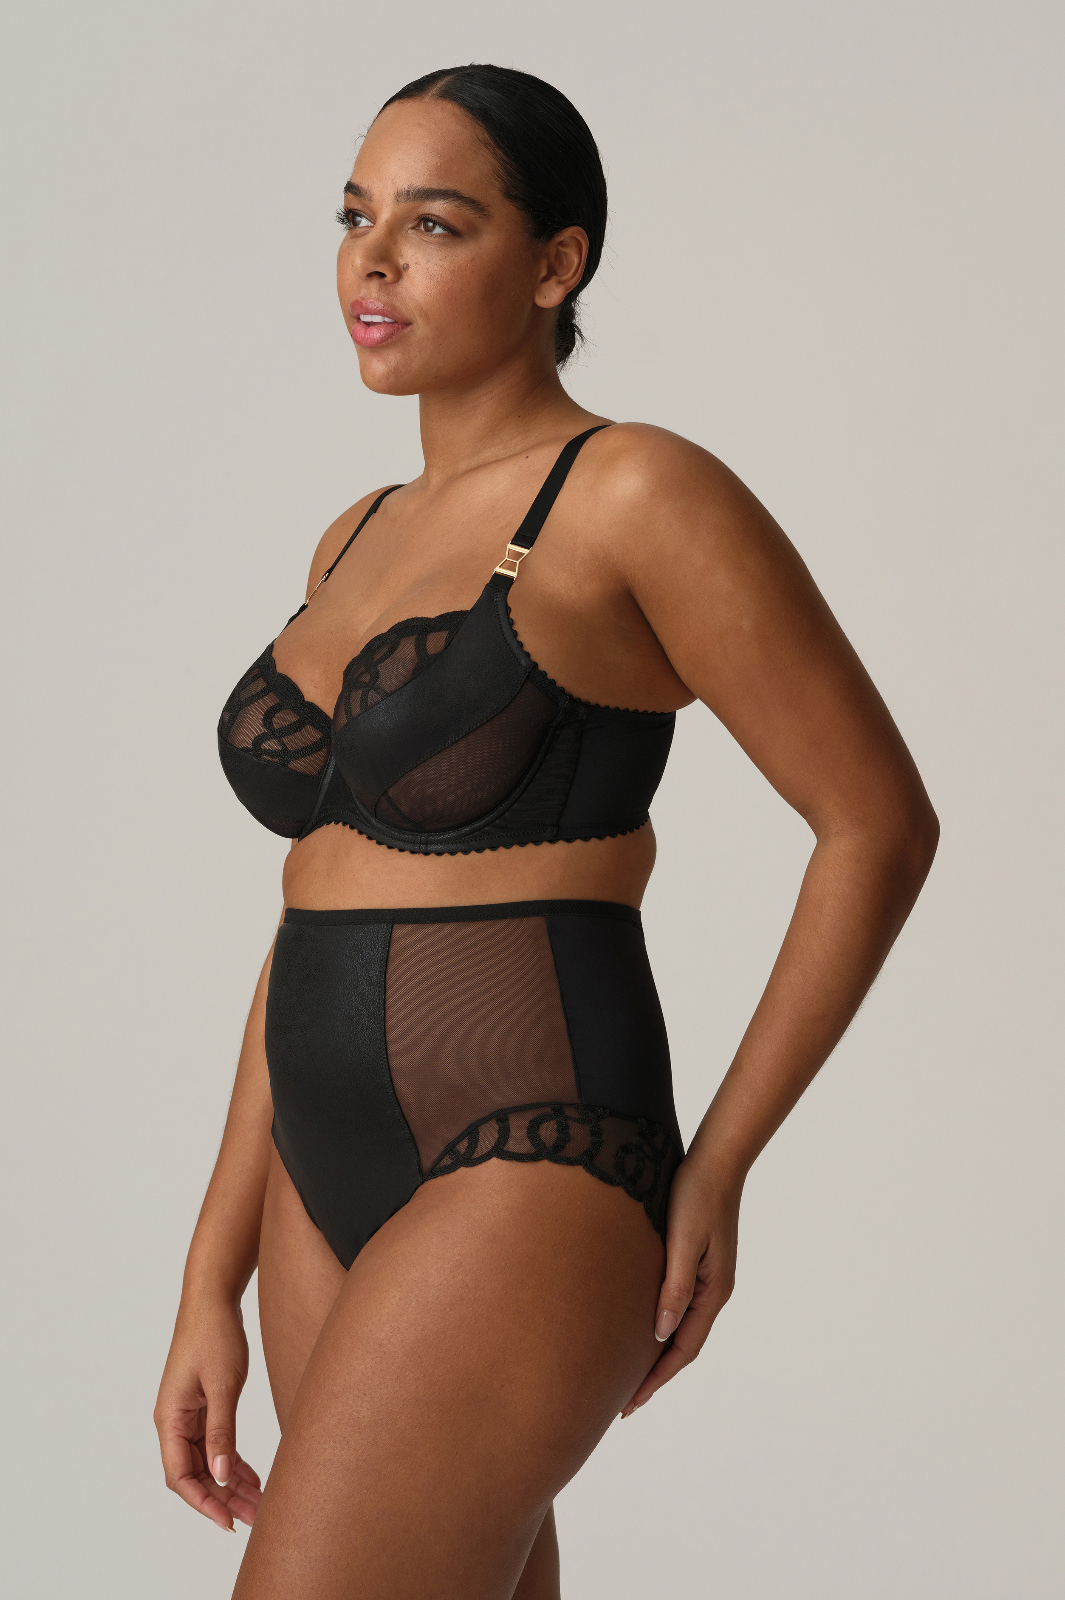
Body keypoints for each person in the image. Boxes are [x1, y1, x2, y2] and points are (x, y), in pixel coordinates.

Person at [153, 63, 938, 1600]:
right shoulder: (354, 536)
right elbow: (313, 894)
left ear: (555, 263)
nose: (375, 261)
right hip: (315, 1164)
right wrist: (208, 1273)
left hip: (532, 1143)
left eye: (435, 224)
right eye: (356, 218)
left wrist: (721, 1165)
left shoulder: (636, 489)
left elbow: (874, 823)